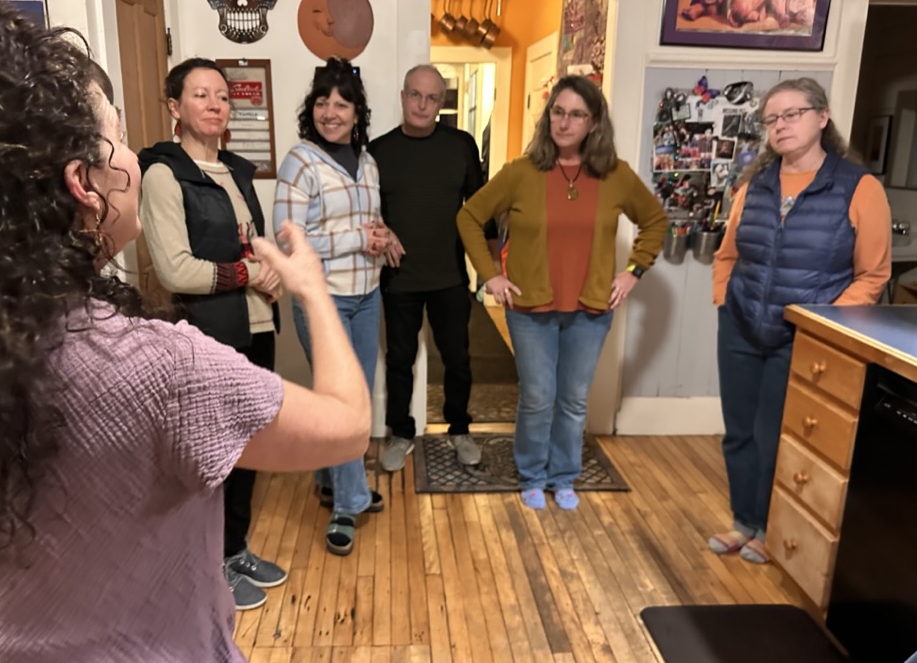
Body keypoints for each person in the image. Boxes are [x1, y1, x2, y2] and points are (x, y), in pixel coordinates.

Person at [0, 2, 371, 663]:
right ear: (83, 184)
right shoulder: (157, 369)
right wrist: (311, 287)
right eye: (119, 138)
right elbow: (349, 423)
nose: (134, 158)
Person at [457, 75, 667, 511]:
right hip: (529, 307)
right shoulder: (521, 173)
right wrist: (491, 276)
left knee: (573, 400)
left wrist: (633, 272)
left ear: (594, 123)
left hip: (591, 310)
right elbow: (469, 216)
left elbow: (654, 222)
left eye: (576, 115)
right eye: (557, 112)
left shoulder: (615, 175)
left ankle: (563, 475)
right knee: (537, 398)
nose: (564, 122)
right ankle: (532, 474)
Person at [711, 77, 891, 563]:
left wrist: (823, 326)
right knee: (739, 433)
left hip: (801, 337)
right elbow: (728, 254)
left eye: (792, 114)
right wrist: (724, 299)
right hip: (740, 327)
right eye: (772, 119)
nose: (780, 125)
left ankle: (771, 529)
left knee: (776, 436)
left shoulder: (859, 187)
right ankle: (743, 522)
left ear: (822, 117)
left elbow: (873, 274)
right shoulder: (755, 185)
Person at [138, 57, 286, 611]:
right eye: (201, 95)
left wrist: (272, 273)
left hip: (258, 326)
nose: (215, 105)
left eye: (222, 96)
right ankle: (207, 569)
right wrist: (251, 273)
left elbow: (252, 246)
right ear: (174, 106)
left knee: (250, 446)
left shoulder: (237, 171)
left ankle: (234, 549)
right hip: (208, 334)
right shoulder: (163, 174)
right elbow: (176, 270)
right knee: (212, 454)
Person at [273, 58, 386, 556]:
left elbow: (368, 221)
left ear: (358, 113)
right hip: (324, 300)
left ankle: (329, 481)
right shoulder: (300, 161)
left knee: (348, 399)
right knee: (344, 404)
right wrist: (357, 238)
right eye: (322, 102)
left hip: (368, 295)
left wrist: (382, 235)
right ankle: (348, 502)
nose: (331, 112)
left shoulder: (368, 161)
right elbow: (289, 240)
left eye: (342, 104)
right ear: (311, 108)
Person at [369, 64, 497, 472]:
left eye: (432, 98)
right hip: (399, 276)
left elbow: (480, 206)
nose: (422, 105)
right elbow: (366, 210)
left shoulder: (461, 145)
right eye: (415, 95)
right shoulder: (378, 151)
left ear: (441, 103)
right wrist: (382, 230)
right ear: (403, 96)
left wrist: (492, 262)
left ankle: (459, 429)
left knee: (457, 358)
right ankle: (401, 433)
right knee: (400, 360)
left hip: (450, 275)